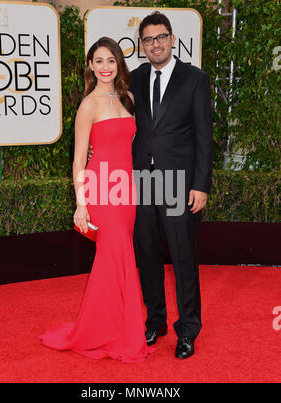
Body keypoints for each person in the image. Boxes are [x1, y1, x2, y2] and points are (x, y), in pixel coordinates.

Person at [39, 37, 155, 363]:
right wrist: (81, 203)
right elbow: (78, 160)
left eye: (111, 60)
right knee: (113, 257)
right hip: (101, 190)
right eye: (98, 61)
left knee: (118, 259)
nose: (105, 67)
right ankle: (115, 332)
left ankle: (113, 326)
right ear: (90, 66)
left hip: (126, 188)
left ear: (119, 64)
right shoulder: (87, 106)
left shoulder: (128, 98)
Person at [130, 11, 213, 359]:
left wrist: (201, 184)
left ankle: (188, 328)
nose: (155, 44)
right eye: (148, 39)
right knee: (147, 254)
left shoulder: (194, 79)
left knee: (182, 257)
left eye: (160, 37)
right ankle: (156, 320)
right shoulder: (131, 80)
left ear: (172, 39)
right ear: (142, 45)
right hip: (143, 181)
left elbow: (203, 137)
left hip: (180, 183)